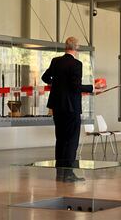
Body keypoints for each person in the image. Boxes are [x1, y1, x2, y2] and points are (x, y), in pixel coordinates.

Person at [42, 36, 104, 182]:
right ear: (76, 48)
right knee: (71, 140)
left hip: (57, 106)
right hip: (71, 107)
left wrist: (58, 85)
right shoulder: (76, 64)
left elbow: (45, 77)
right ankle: (68, 173)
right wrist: (93, 88)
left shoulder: (55, 61)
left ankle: (60, 173)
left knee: (61, 139)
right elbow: (75, 87)